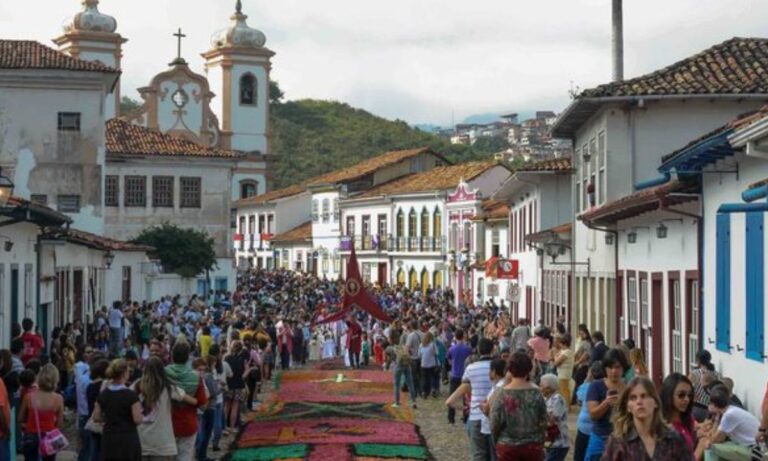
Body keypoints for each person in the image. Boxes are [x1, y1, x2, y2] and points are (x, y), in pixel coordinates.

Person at [602, 376, 692, 461]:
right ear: (628, 407)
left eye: (644, 396)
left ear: (655, 402)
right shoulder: (618, 442)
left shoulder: (673, 438)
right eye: (633, 398)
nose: (639, 401)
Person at [490, 351, 547, 461]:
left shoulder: (501, 394)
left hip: (507, 446)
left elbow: (494, 423)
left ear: (509, 369)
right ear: (529, 369)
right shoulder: (536, 393)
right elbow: (543, 421)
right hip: (532, 446)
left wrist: (497, 440)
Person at [165, 341, 208, 461]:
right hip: (188, 424)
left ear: (172, 355)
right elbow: (203, 406)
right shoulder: (195, 377)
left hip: (167, 424)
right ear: (188, 357)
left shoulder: (164, 373)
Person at [93, 360, 142, 461]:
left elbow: (96, 417)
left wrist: (108, 418)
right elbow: (137, 419)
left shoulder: (104, 394)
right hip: (127, 437)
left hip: (109, 437)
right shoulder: (131, 395)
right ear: (124, 373)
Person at [584, 349, 627, 461]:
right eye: (610, 367)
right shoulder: (596, 386)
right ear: (605, 368)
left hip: (624, 440)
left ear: (623, 368)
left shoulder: (629, 387)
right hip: (600, 439)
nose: (614, 371)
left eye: (617, 367)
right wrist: (606, 403)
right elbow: (593, 415)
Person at [133, 357, 179, 460]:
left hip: (141, 441)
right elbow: (182, 395)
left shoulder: (136, 386)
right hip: (163, 443)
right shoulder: (168, 388)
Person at [698, 386, 759, 461]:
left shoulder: (729, 415)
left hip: (752, 449)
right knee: (708, 443)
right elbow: (717, 436)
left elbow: (716, 439)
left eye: (709, 403)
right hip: (746, 445)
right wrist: (717, 418)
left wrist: (708, 437)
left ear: (713, 404)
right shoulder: (730, 410)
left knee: (709, 447)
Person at [18, 364, 63, 461]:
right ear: (56, 380)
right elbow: (59, 424)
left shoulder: (29, 397)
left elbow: (20, 418)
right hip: (50, 437)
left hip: (31, 436)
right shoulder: (58, 399)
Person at [463, 338, 494, 461]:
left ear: (478, 350)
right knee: (494, 453)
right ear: (493, 349)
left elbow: (465, 385)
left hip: (476, 413)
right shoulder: (498, 367)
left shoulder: (471, 368)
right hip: (493, 415)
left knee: (478, 454)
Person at [660, 373, 696, 452]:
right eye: (681, 395)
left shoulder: (688, 419)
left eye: (689, 395)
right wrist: (701, 447)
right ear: (668, 394)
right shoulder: (661, 426)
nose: (687, 399)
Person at [575, 362, 604, 461]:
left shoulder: (587, 386)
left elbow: (578, 399)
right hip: (598, 429)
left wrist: (586, 380)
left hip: (584, 427)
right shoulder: (606, 387)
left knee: (580, 454)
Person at [540, 374, 570, 461]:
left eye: (542, 385)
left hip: (559, 443)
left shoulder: (557, 399)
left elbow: (551, 420)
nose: (540, 388)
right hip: (551, 443)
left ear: (549, 388)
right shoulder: (546, 399)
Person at [447, 329, 472, 425]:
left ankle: (451, 418)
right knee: (466, 398)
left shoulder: (452, 348)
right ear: (463, 336)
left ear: (455, 337)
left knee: (452, 397)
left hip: (454, 374)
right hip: (465, 375)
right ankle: (466, 417)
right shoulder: (467, 348)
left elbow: (448, 359)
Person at [85, 359, 109, 461]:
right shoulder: (104, 386)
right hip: (102, 423)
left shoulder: (90, 386)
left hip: (92, 422)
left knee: (94, 450)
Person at [387, 330, 416, 409]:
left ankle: (397, 402)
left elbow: (390, 359)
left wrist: (387, 366)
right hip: (406, 365)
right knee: (410, 383)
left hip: (398, 366)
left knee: (396, 384)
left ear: (391, 339)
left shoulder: (391, 348)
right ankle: (414, 401)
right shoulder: (403, 346)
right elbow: (409, 353)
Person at [74, 346, 93, 461]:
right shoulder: (80, 367)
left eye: (91, 351)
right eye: (88, 352)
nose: (90, 354)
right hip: (83, 411)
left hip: (87, 411)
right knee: (86, 446)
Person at [690, 350, 718, 423]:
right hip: (708, 410)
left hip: (694, 407)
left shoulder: (695, 373)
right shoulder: (716, 374)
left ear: (698, 360)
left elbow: (687, 387)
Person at [551, 334, 574, 408]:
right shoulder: (564, 351)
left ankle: (567, 407)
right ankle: (565, 406)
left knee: (564, 391)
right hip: (562, 373)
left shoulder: (567, 352)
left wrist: (555, 355)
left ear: (563, 343)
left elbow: (557, 362)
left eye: (560, 343)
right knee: (563, 390)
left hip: (564, 374)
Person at [418, 331, 439, 399]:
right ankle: (433, 390)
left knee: (424, 378)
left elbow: (419, 355)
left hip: (423, 364)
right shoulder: (432, 344)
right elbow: (436, 353)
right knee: (433, 377)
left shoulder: (421, 345)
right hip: (431, 363)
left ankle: (424, 392)